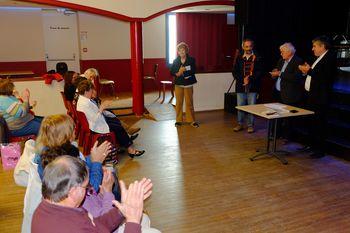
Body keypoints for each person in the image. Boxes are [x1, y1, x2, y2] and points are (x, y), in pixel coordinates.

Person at [13, 114, 110, 233]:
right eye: (72, 128)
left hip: (55, 207)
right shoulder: (61, 162)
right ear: (65, 135)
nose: (75, 131)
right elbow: (89, 188)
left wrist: (93, 158)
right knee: (111, 183)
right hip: (74, 210)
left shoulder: (47, 153)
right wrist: (97, 163)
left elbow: (80, 164)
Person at [32, 156, 152, 233]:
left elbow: (96, 226)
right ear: (73, 192)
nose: (87, 191)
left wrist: (122, 210)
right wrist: (133, 222)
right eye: (85, 187)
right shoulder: (73, 227)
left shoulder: (45, 208)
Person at [76, 80, 145, 158]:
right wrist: (101, 108)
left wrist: (101, 108)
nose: (92, 92)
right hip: (95, 126)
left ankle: (122, 144)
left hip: (95, 123)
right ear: (86, 91)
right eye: (91, 90)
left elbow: (93, 115)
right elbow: (95, 119)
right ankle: (130, 149)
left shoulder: (82, 100)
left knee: (116, 122)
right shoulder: (86, 104)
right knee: (118, 127)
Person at [298, 35, 337, 158]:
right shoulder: (320, 57)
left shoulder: (330, 58)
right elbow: (315, 75)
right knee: (312, 122)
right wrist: (307, 71)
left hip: (321, 98)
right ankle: (311, 145)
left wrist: (308, 71)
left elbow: (324, 77)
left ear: (322, 46)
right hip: (312, 96)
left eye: (315, 46)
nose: (312, 49)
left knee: (319, 124)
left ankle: (319, 150)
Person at [232, 39, 263, 133]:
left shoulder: (258, 57)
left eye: (250, 46)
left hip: (253, 86)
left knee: (251, 107)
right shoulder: (239, 57)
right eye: (246, 46)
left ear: (252, 47)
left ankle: (250, 125)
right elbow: (234, 72)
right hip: (241, 86)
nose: (248, 48)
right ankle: (240, 124)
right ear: (243, 47)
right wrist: (243, 79)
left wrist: (250, 79)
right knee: (240, 106)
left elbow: (260, 72)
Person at [170, 42, 199, 128]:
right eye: (180, 51)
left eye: (183, 50)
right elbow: (172, 71)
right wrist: (177, 73)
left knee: (189, 103)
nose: (182, 52)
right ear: (178, 52)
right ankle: (178, 120)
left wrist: (183, 71)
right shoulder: (175, 61)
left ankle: (191, 120)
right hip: (178, 84)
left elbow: (193, 70)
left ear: (186, 51)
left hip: (188, 84)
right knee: (178, 103)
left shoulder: (191, 60)